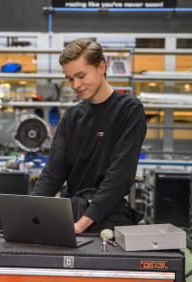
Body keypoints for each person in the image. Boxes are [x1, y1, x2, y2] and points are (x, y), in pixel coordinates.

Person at [31, 38, 147, 234]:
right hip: (70, 211)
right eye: (70, 79)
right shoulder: (72, 116)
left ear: (101, 67)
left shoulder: (129, 110)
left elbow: (120, 176)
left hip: (108, 216)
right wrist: (29, 214)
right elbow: (52, 174)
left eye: (81, 76)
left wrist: (81, 225)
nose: (76, 85)